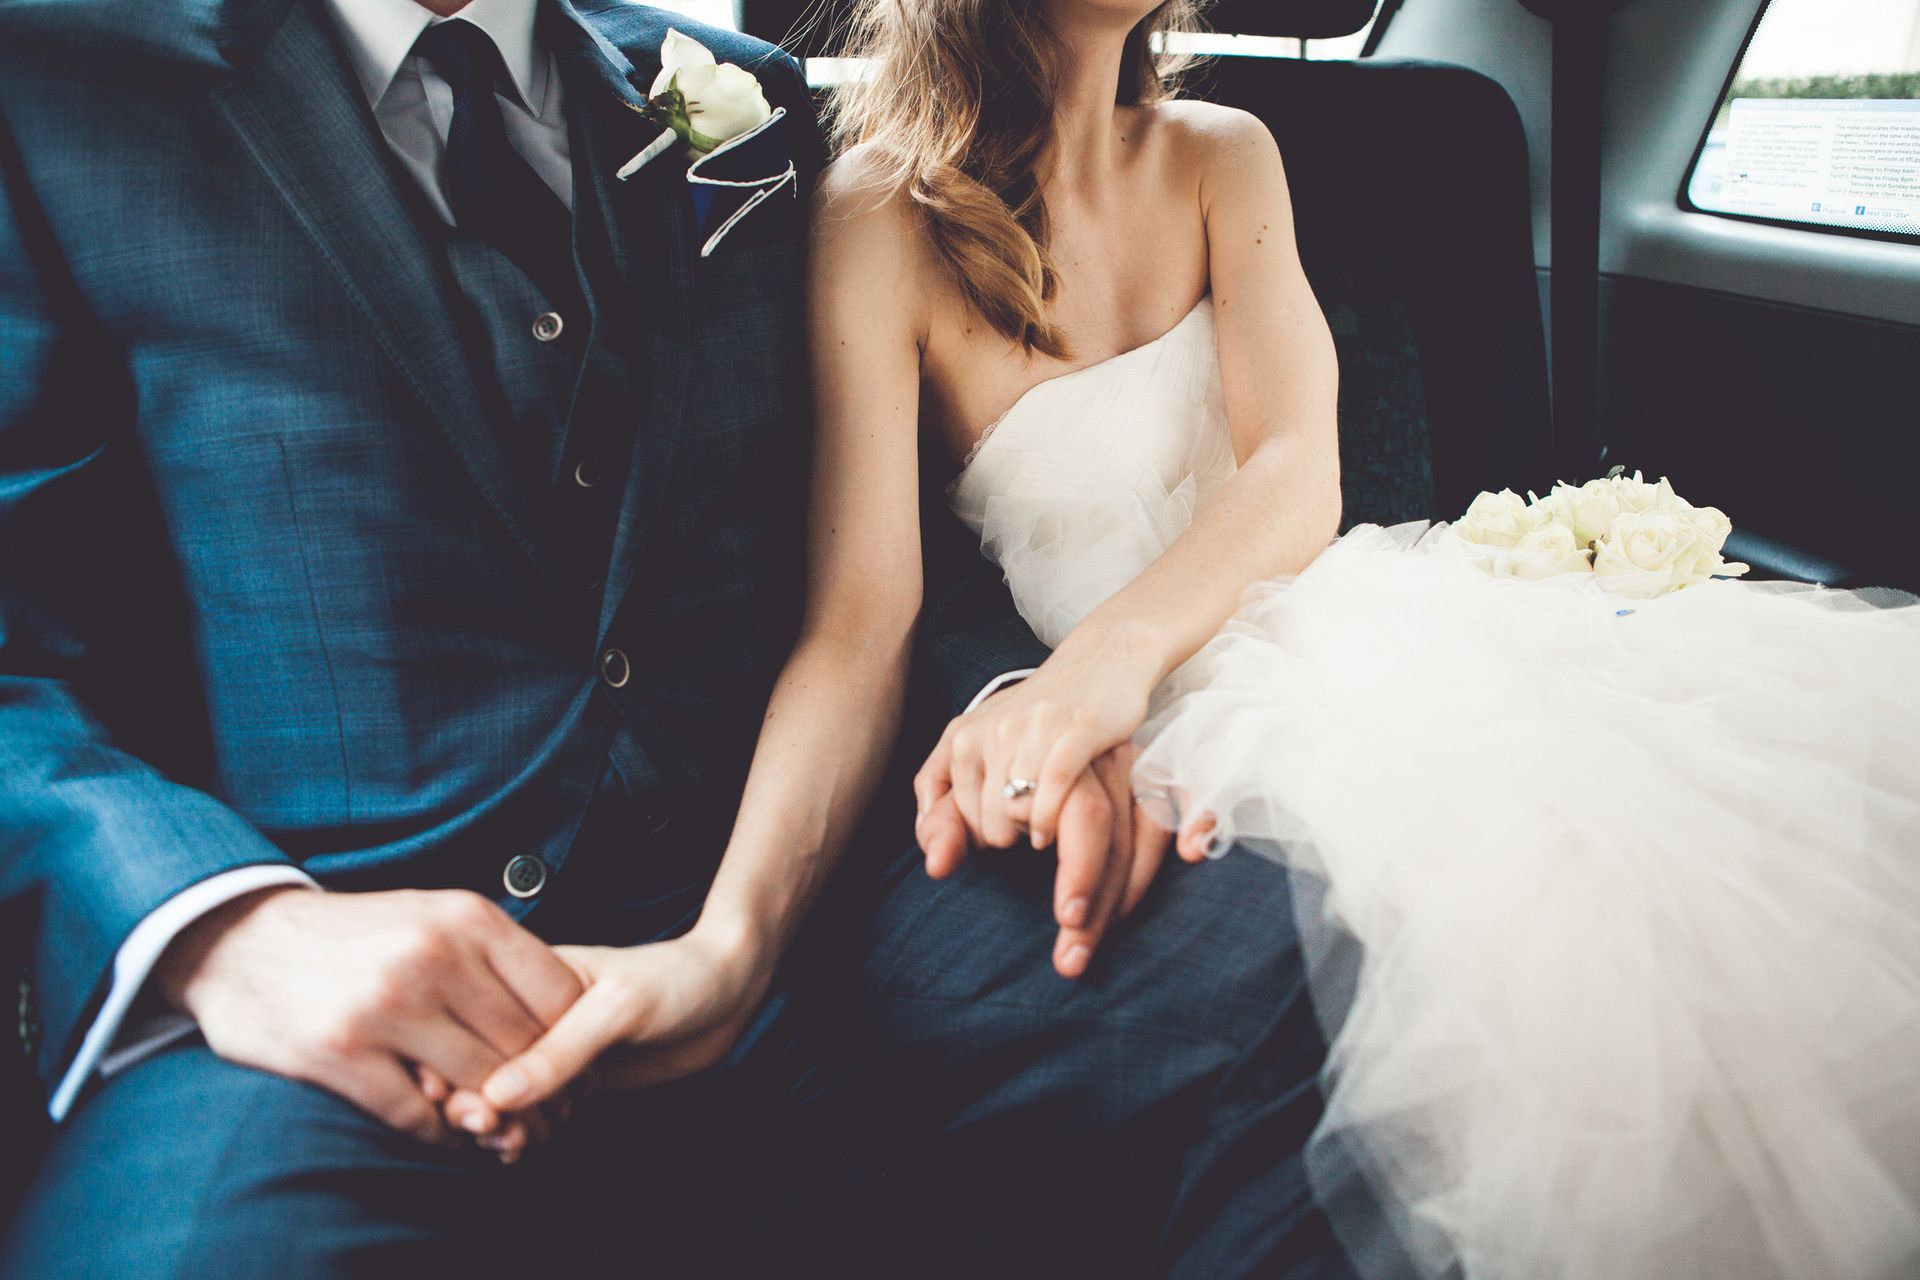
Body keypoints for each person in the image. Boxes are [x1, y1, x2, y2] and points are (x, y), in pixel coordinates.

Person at [0, 0, 1353, 1274]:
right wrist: (227, 932)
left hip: (797, 915)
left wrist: (1023, 714)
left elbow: (860, 553)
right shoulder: (53, 79)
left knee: (1278, 974)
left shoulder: (738, 102)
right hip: (336, 968)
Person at [816, 2, 1920, 1279]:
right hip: (1143, 722)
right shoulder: (880, 210)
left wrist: (1099, 665)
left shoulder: (1223, 150)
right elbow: (854, 621)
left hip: (1333, 629)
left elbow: (1295, 472)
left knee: (1654, 883)